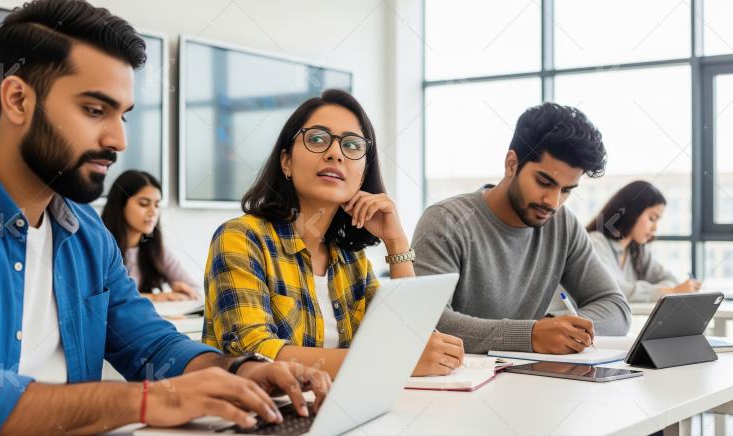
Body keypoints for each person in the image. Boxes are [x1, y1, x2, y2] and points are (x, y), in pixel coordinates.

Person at [0, 2, 330, 434]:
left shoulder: (86, 233)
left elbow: (151, 345)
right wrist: (148, 401)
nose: (118, 140)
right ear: (17, 99)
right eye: (93, 110)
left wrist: (239, 370)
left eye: (122, 115)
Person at [202, 89, 465, 378]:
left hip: (340, 410)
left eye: (352, 146)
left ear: (362, 174)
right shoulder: (241, 238)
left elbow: (412, 339)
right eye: (317, 139)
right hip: (264, 415)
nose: (335, 153)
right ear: (286, 161)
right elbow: (253, 354)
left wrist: (395, 241)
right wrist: (392, 361)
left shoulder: (350, 258)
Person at [412, 102, 632, 355]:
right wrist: (531, 335)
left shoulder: (563, 225)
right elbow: (431, 321)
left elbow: (615, 307)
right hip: (457, 383)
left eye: (567, 190)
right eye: (544, 181)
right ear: (511, 163)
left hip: (529, 380)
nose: (553, 201)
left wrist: (557, 330)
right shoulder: (446, 221)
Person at [583, 180, 701, 302]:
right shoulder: (596, 243)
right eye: (652, 218)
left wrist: (670, 290)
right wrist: (667, 292)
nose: (655, 228)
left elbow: (669, 279)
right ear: (632, 212)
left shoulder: (637, 251)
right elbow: (608, 289)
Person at [102, 170, 201, 301]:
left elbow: (196, 291)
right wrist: (155, 297)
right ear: (121, 205)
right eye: (144, 203)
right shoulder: (101, 248)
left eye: (157, 205)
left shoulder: (156, 249)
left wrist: (183, 293)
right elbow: (106, 298)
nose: (153, 212)